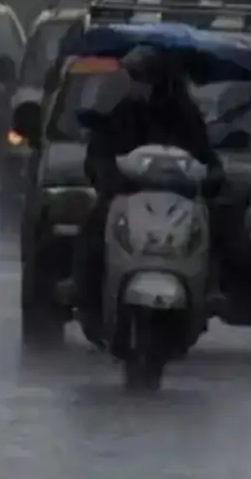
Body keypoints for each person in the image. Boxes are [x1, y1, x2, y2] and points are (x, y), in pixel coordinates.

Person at [70, 45, 224, 316]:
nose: (135, 84)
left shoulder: (185, 115)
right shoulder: (121, 113)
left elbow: (206, 156)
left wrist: (212, 178)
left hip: (180, 201)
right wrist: (110, 178)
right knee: (94, 224)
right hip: (129, 197)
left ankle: (213, 287)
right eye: (132, 77)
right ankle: (82, 286)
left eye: (140, 77)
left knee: (221, 223)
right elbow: (99, 154)